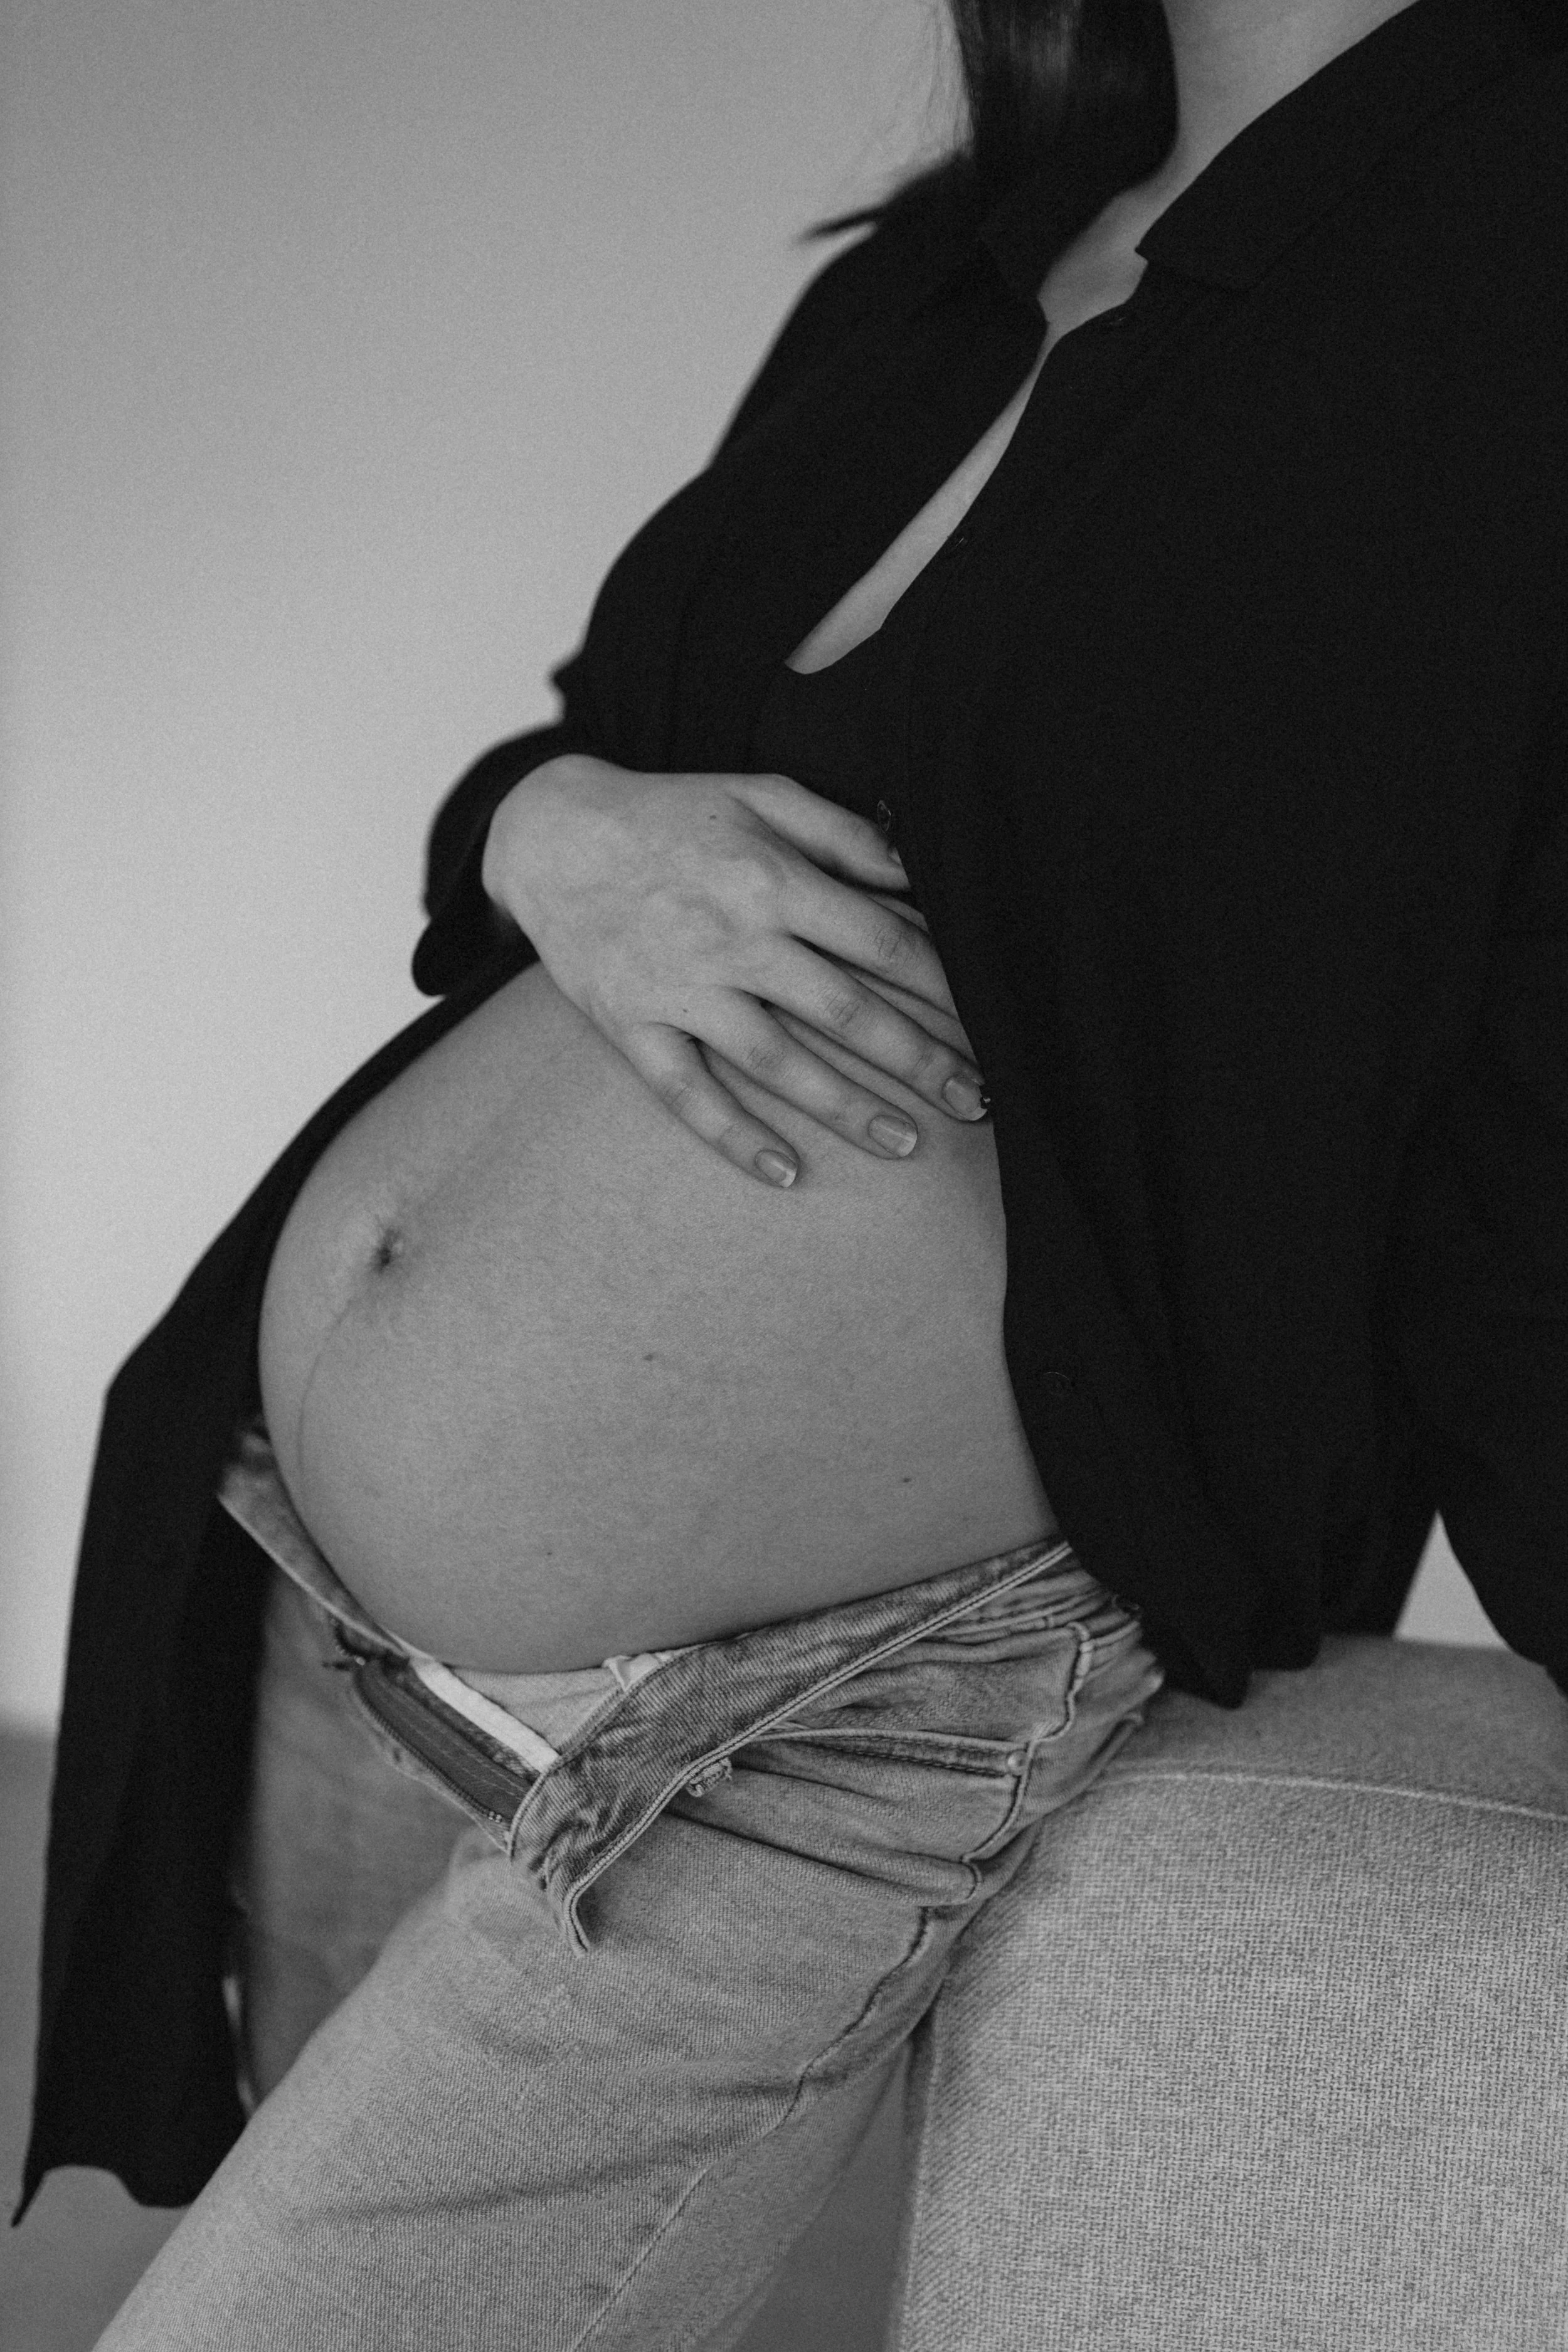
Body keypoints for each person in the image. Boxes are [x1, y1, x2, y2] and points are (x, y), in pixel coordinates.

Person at [18, 0, 1565, 2341]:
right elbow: (591, 749)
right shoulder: (958, 259)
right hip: (315, 1559)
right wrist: (551, 836)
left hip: (850, 1656)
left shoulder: (1507, 237)